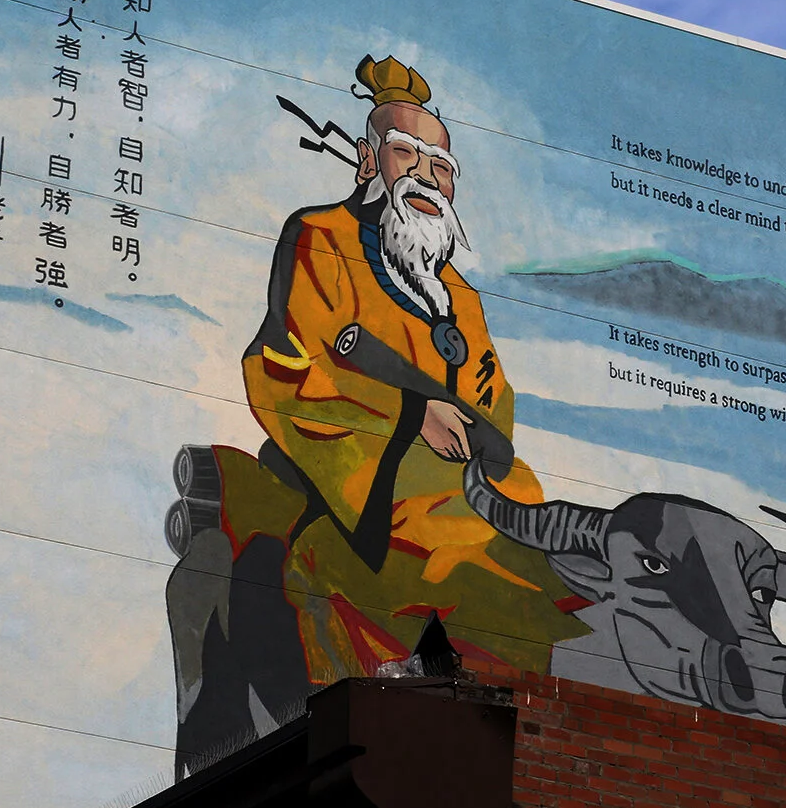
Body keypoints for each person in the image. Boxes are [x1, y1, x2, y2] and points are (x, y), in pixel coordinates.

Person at [229, 54, 587, 685]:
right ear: (369, 163)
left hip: (464, 492)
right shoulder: (319, 239)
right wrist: (411, 414)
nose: (427, 177)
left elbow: (494, 402)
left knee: (543, 559)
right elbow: (286, 366)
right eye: (406, 155)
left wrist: (476, 439)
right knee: (392, 561)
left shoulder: (461, 297)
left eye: (442, 167)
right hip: (364, 483)